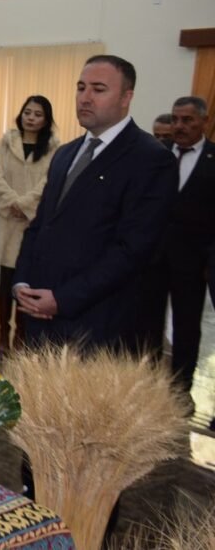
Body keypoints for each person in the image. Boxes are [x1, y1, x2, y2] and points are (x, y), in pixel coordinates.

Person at [13, 55, 177, 349]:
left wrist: (63, 299)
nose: (85, 98)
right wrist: (22, 282)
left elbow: (132, 250)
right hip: (40, 315)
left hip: (97, 325)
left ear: (126, 97)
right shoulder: (65, 154)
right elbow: (40, 225)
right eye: (81, 87)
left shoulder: (150, 158)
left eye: (98, 89)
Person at [136, 96, 215, 397]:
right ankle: (144, 385)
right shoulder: (156, 153)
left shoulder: (212, 158)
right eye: (176, 119)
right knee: (146, 322)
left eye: (187, 120)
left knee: (186, 326)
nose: (179, 126)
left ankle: (181, 390)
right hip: (151, 257)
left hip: (193, 261)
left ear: (204, 121)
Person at [0, 95, 59, 355]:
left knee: (26, 283)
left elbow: (48, 182)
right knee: (4, 283)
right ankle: (3, 334)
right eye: (27, 112)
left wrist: (25, 205)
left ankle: (21, 334)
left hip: (32, 223)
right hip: (7, 221)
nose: (31, 118)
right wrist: (12, 203)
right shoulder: (7, 142)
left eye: (37, 114)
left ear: (46, 119)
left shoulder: (53, 147)